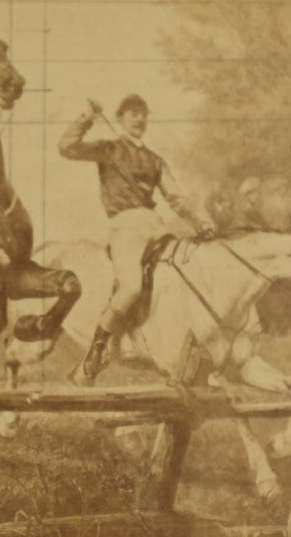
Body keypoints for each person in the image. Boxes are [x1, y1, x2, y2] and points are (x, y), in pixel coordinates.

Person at [58, 94, 215, 385]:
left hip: (156, 226)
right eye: (132, 114)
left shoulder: (156, 160)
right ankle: (97, 350)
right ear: (120, 118)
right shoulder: (108, 149)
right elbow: (67, 147)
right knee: (131, 287)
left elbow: (177, 199)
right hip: (126, 227)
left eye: (142, 114)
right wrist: (87, 117)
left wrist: (201, 223)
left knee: (183, 272)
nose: (138, 119)